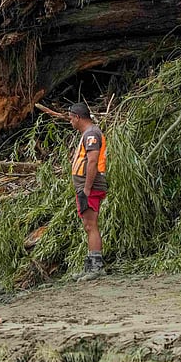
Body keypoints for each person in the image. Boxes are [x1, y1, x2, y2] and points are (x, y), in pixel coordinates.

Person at [68, 102, 108, 281]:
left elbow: (92, 161)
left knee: (91, 225)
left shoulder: (91, 134)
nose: (70, 122)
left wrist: (87, 188)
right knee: (88, 225)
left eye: (70, 119)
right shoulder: (87, 134)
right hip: (85, 186)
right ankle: (90, 266)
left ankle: (96, 268)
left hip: (90, 186)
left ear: (77, 117)